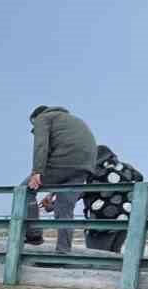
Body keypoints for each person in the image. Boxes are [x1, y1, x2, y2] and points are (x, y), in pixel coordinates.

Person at [24, 105, 98, 254]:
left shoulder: (43, 118)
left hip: (65, 160)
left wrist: (37, 172)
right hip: (84, 166)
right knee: (65, 209)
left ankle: (34, 235)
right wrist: (51, 193)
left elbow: (41, 145)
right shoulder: (72, 120)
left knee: (24, 191)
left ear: (35, 118)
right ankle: (63, 251)